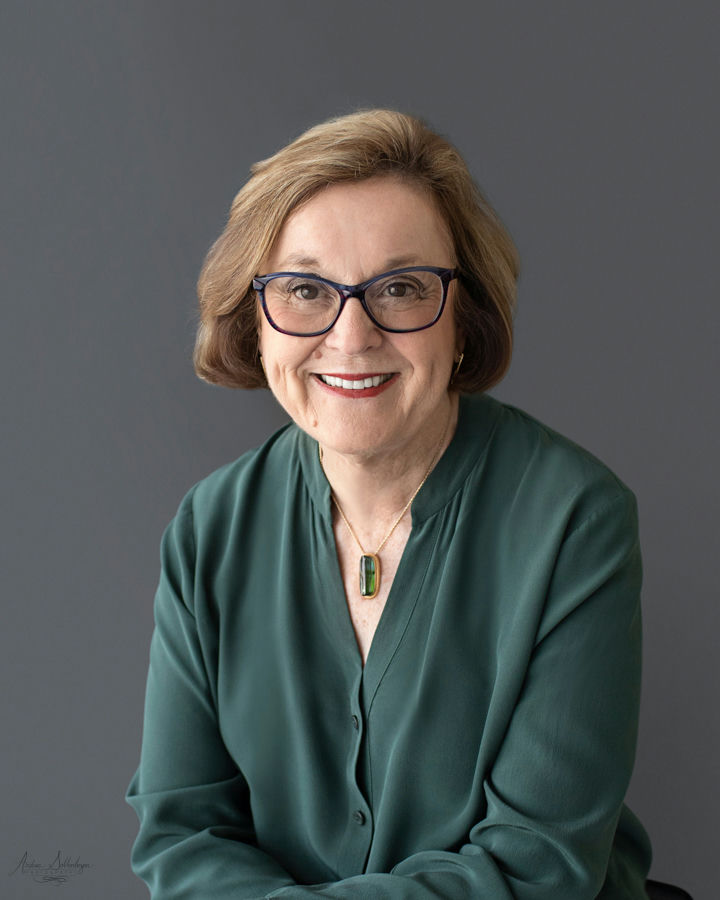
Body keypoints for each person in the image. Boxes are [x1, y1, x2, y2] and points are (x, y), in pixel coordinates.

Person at [126, 109, 653, 898]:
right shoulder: (211, 531)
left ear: (465, 322)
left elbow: (533, 871)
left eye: (401, 288)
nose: (351, 334)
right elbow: (182, 833)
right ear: (255, 323)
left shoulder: (575, 521)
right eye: (305, 290)